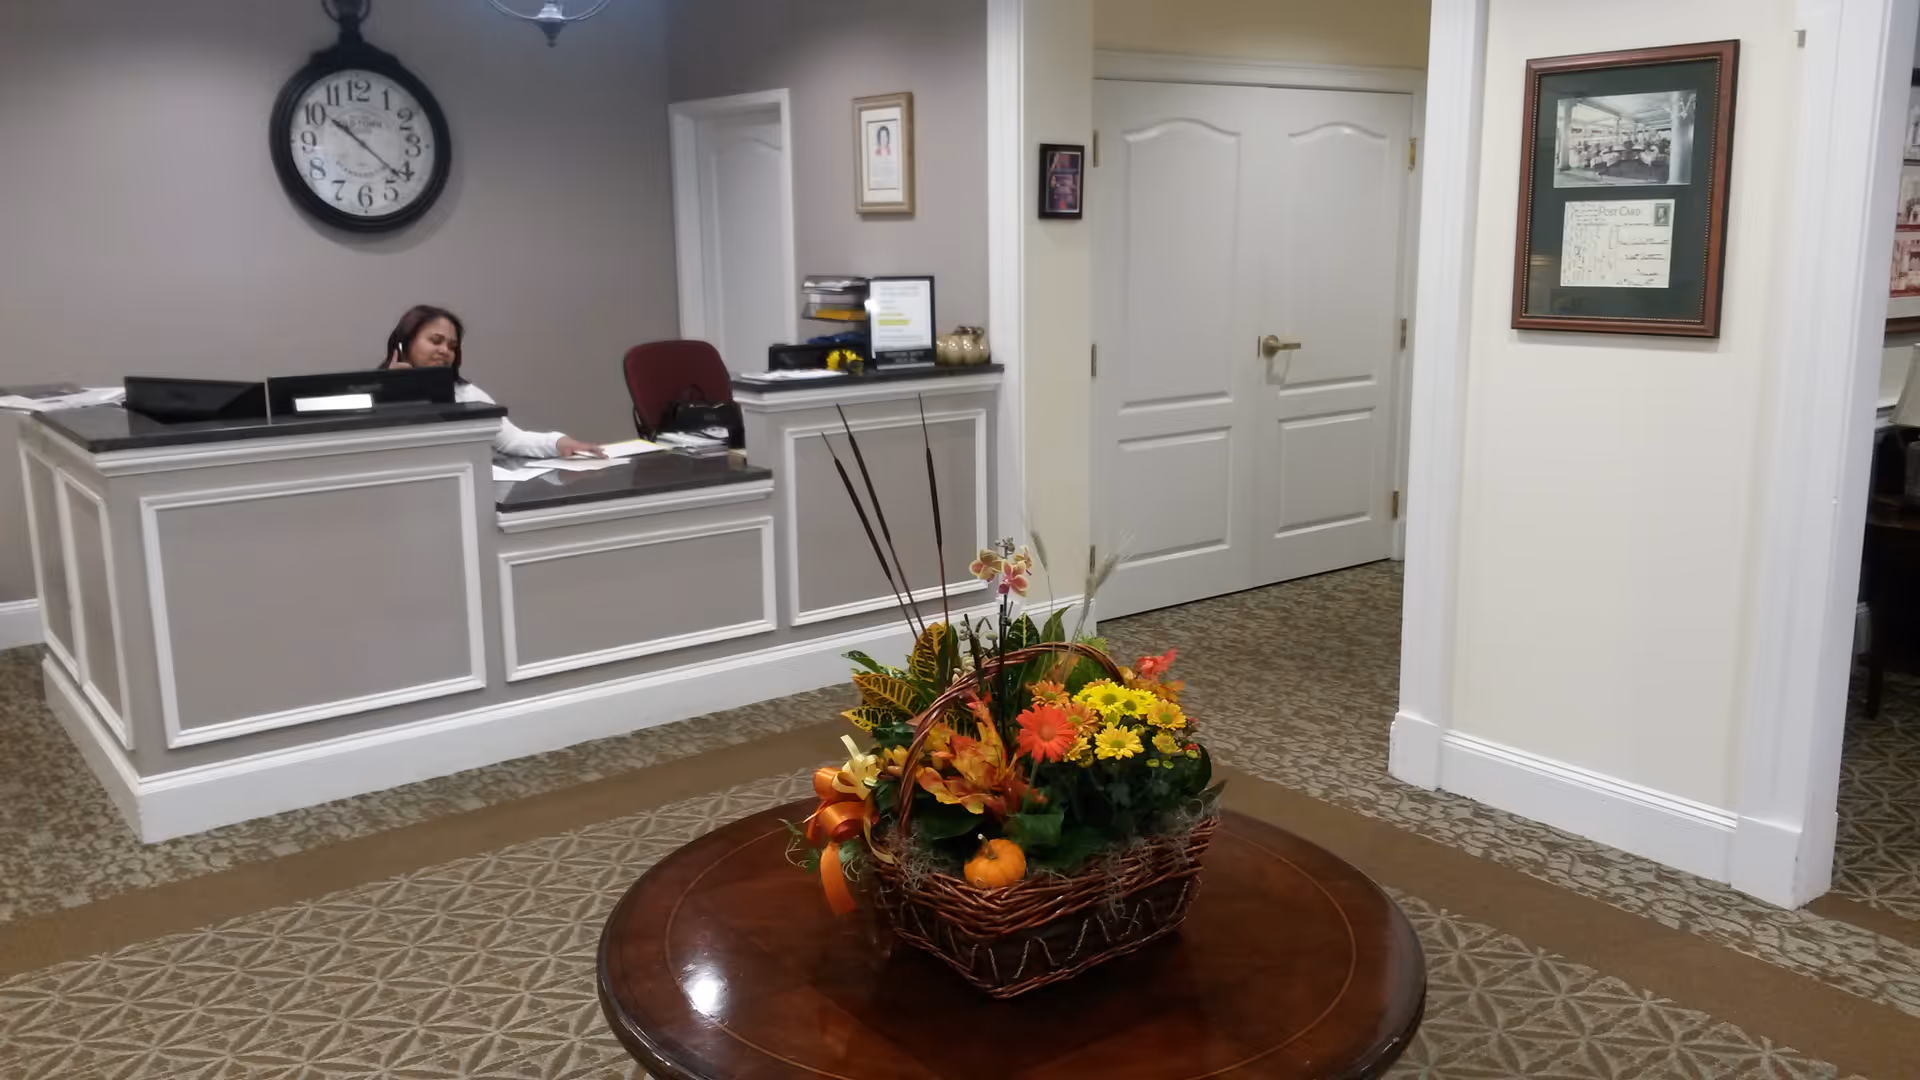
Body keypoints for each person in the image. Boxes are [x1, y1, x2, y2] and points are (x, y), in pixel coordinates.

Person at [381, 305, 603, 459]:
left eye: (451, 346)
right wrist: (392, 390)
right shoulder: (370, 395)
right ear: (403, 345)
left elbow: (511, 439)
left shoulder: (466, 394)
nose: (444, 351)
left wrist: (558, 443)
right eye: (435, 341)